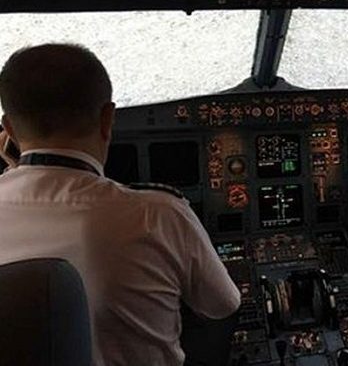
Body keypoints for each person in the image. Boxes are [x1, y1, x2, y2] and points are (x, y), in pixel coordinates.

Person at [0, 44, 241, 366]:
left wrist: (16, 171)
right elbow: (223, 305)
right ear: (108, 118)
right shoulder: (159, 214)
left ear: (9, 129)